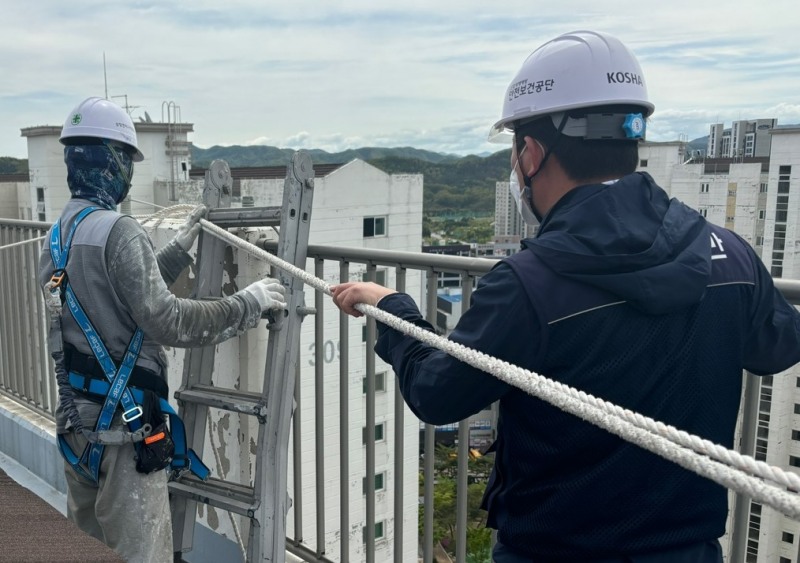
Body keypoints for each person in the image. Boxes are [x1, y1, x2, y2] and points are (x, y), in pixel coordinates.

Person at [331, 30, 800, 562]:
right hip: (689, 550)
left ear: (531, 153)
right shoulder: (730, 255)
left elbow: (438, 393)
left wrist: (392, 309)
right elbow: (776, 347)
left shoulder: (529, 284)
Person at [39, 97, 287, 563]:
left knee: (86, 549)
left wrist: (177, 250)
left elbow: (119, 294)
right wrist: (245, 305)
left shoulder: (57, 237)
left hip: (77, 426)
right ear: (113, 162)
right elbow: (167, 319)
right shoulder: (119, 230)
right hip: (124, 435)